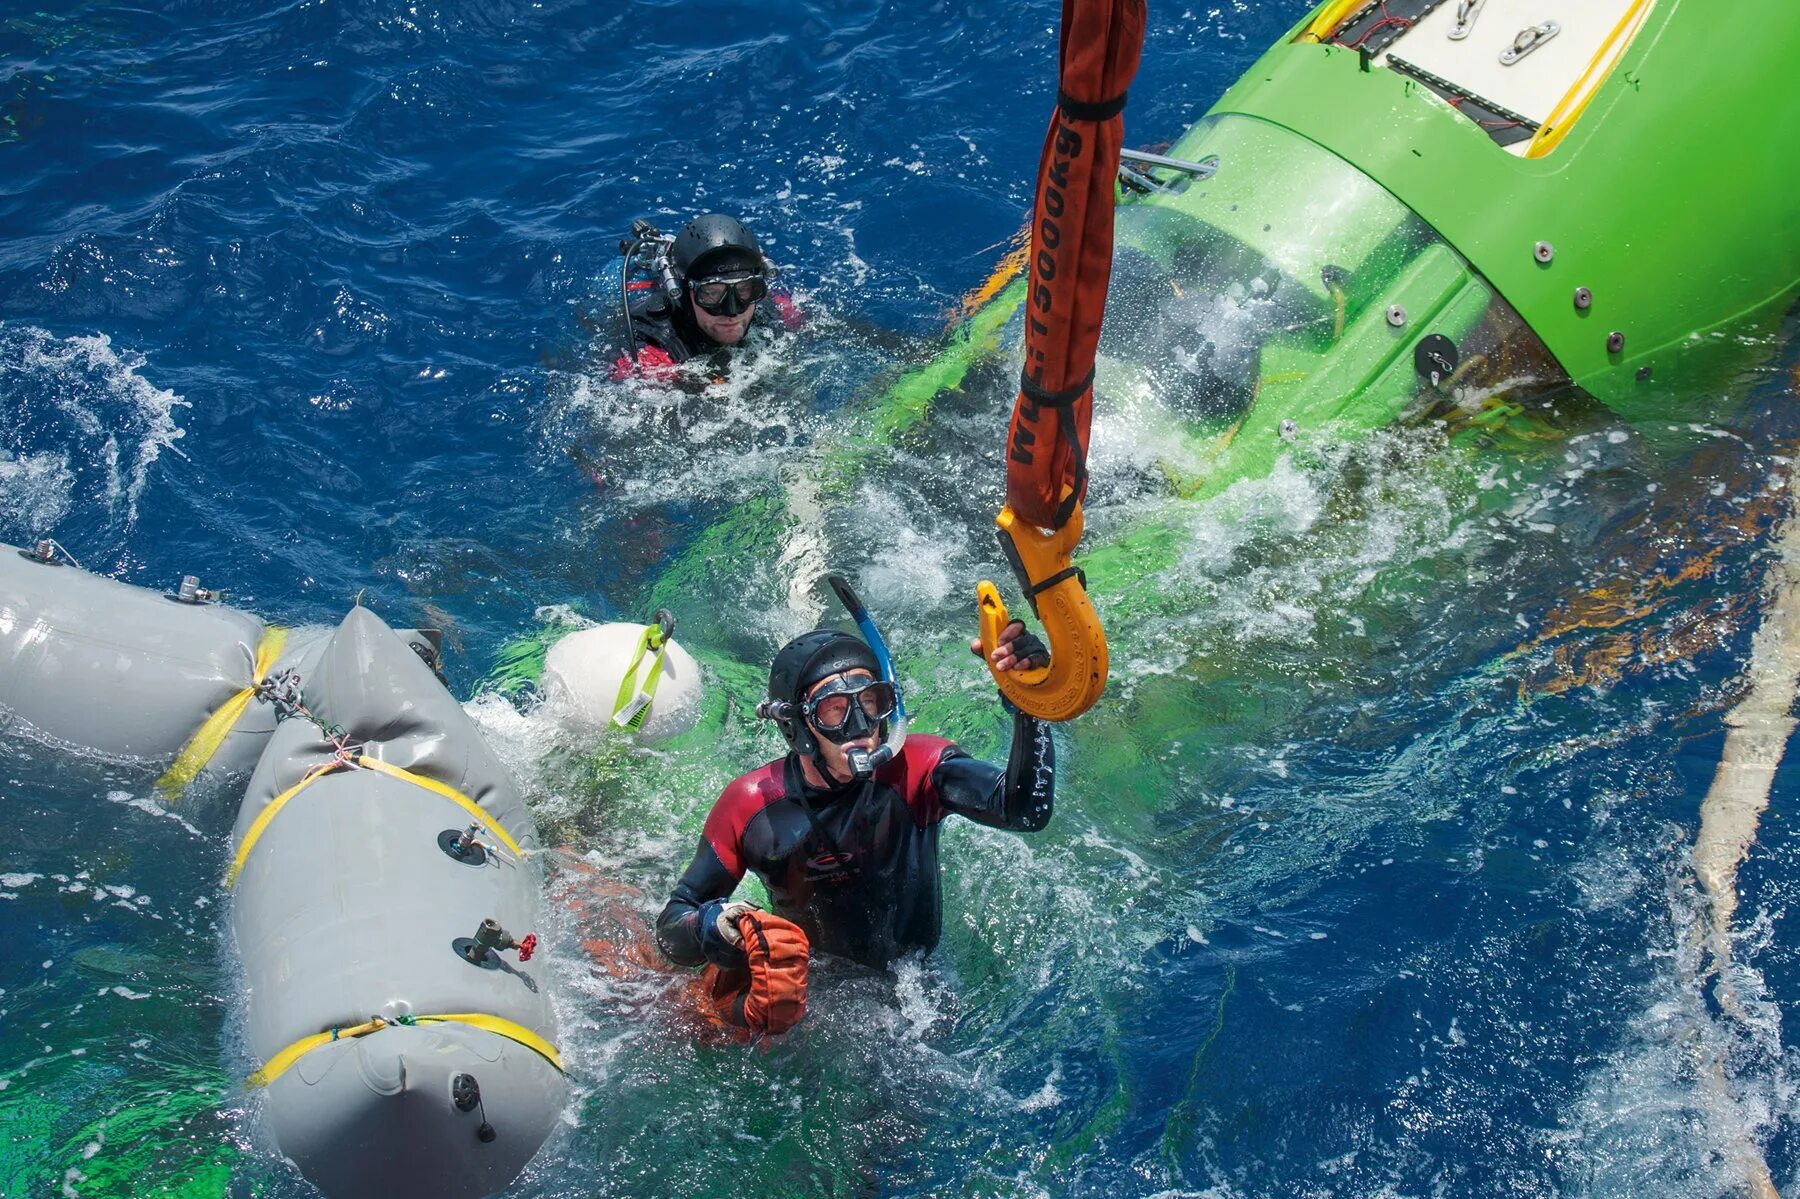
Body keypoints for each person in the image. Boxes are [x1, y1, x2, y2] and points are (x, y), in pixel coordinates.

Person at [655, 618, 1055, 1021]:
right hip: (816, 993)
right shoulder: (752, 804)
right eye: (835, 710)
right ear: (799, 727)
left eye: (871, 703)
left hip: (919, 983)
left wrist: (1028, 701)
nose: (862, 727)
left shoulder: (919, 767)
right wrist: (718, 925)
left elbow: (1024, 810)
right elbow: (673, 928)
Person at [612, 213, 801, 378]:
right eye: (711, 293)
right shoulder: (653, 356)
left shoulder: (777, 308)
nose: (732, 311)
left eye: (743, 290)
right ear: (683, 294)